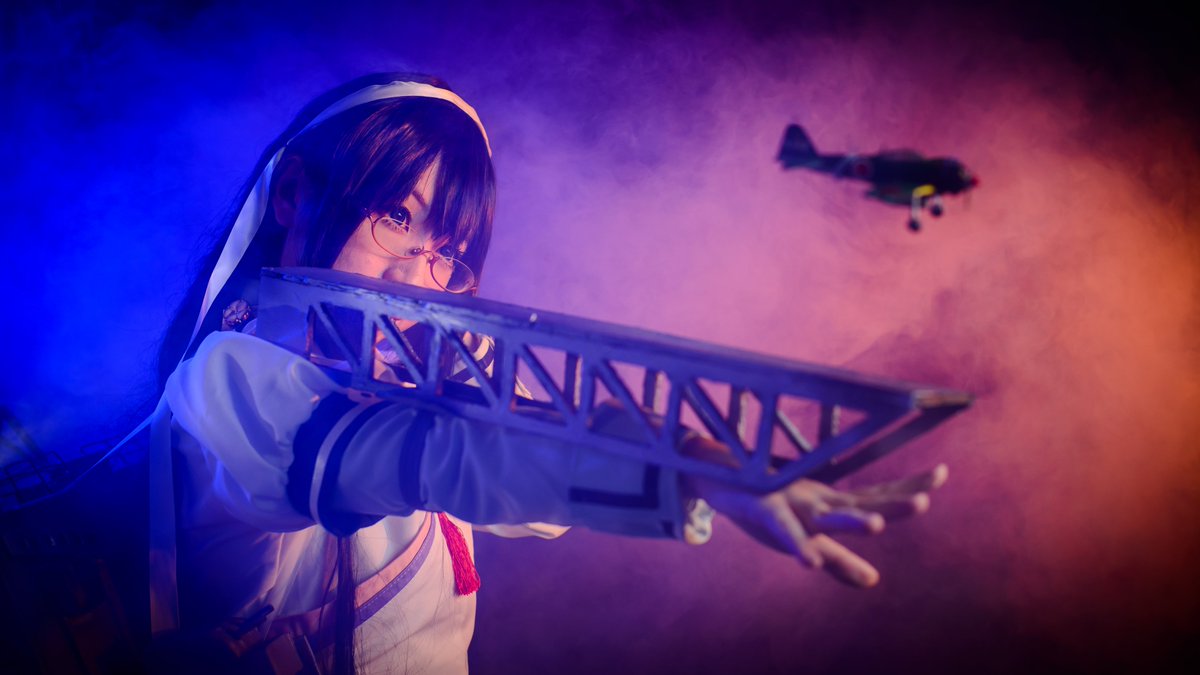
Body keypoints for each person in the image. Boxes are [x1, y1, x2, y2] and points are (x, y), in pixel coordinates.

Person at [151, 73, 948, 674]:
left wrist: (702, 459)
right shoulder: (227, 382)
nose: (414, 279)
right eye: (395, 216)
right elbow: (435, 458)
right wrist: (685, 471)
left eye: (447, 255)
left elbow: (534, 474)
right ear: (293, 195)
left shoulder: (414, 365)